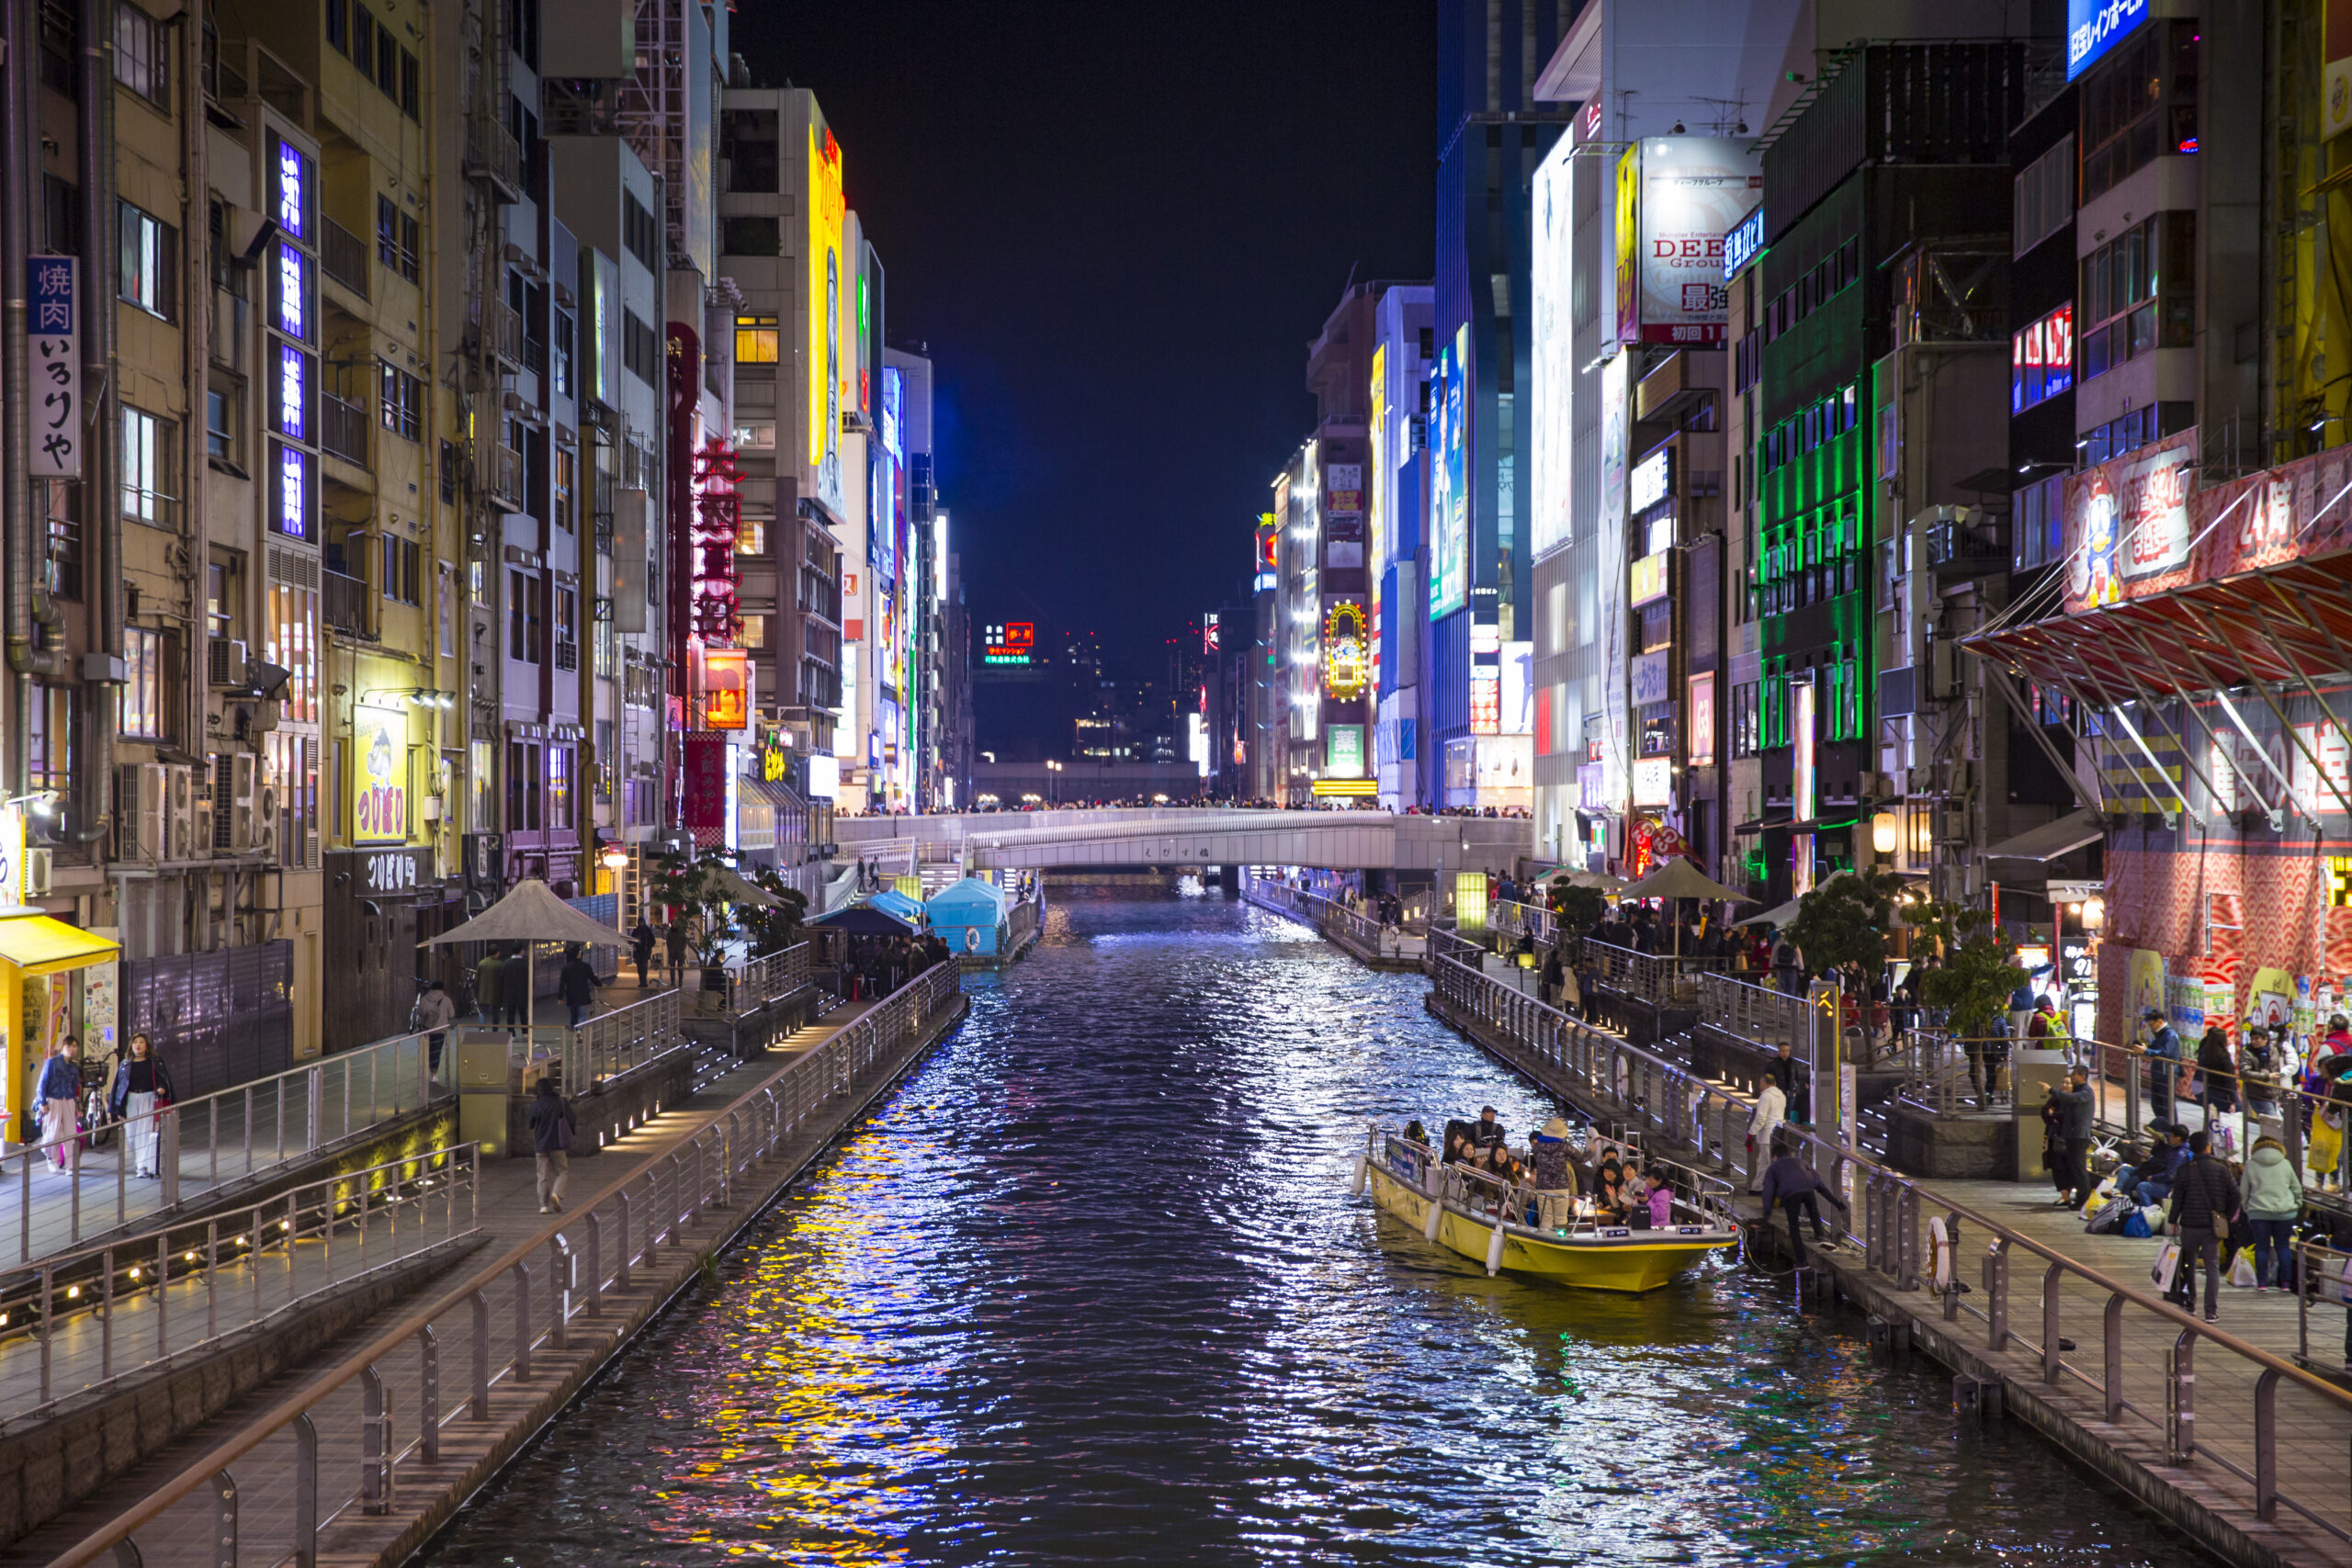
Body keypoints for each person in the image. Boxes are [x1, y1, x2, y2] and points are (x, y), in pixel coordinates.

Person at [2166, 1130, 2241, 1323]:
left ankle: (2191, 1302)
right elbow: (2235, 1194)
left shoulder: (2184, 1170)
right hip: (2212, 1226)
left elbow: (2178, 1198)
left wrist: (2173, 1219)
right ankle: (2210, 1311)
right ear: (2208, 1147)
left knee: (2188, 1264)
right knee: (2212, 1268)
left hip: (2190, 1224)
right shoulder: (2221, 1168)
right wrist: (2226, 1215)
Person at [1757, 1144, 1849, 1263]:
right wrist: (1836, 1203)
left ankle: (1802, 1261)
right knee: (1813, 1211)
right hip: (1808, 1189)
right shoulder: (1801, 1162)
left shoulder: (1773, 1168)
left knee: (1794, 1228)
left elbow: (1768, 1193)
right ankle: (1819, 1234)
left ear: (1774, 1157)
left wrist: (1766, 1217)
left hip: (1790, 1194)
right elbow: (1820, 1185)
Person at [106, 1032, 175, 1179]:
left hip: (148, 1098)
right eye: (135, 1042)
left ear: (147, 1046)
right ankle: (140, 1162)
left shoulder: (155, 1062)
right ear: (131, 1045)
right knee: (131, 1135)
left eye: (141, 1042)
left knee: (144, 1133)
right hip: (131, 1100)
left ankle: (142, 1166)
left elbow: (163, 1078)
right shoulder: (124, 1064)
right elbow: (118, 1087)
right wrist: (118, 1107)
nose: (138, 1044)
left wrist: (162, 1088)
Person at [2243, 1134, 2304, 1292]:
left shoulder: (2250, 1164)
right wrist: (2297, 1204)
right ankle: (2285, 1284)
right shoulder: (2285, 1163)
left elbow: (2243, 1191)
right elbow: (2296, 1187)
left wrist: (2247, 1208)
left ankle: (2262, 1283)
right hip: (2285, 1212)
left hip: (2259, 1211)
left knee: (2261, 1248)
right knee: (2283, 1247)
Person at [527, 1075, 576, 1213]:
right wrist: (571, 1133)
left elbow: (531, 1123)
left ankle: (543, 1206)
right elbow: (572, 1119)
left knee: (542, 1175)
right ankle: (556, 1193)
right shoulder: (560, 1102)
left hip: (541, 1144)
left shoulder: (536, 1104)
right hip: (557, 1144)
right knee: (562, 1171)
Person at [2052, 1066, 2096, 1209]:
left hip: (2079, 1136)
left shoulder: (2086, 1092)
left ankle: (2084, 1200)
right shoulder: (2078, 1091)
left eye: (2074, 1074)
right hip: (2071, 1135)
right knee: (2074, 1167)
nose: (2072, 1076)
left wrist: (2051, 1090)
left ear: (2082, 1076)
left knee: (2079, 1167)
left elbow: (2073, 1098)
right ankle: (2079, 1197)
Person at [36, 1039, 81, 1174]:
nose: (71, 1049)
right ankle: (51, 1157)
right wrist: (42, 1101)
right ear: (63, 1047)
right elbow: (42, 1083)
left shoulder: (74, 1067)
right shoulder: (52, 1062)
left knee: (70, 1133)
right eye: (69, 1046)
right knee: (53, 1133)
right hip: (53, 1100)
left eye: (74, 1046)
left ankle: (70, 1165)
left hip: (68, 1100)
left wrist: (75, 1103)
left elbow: (74, 1086)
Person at [2135, 1122, 2193, 1209]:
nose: (2170, 1139)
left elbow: (2170, 1175)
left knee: (2142, 1187)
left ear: (2178, 1138)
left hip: (2172, 1187)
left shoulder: (2179, 1154)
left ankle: (2149, 1214)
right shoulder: (2180, 1149)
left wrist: (2153, 1178)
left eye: (2171, 1136)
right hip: (2175, 1184)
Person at [1745, 1079, 1787, 1193]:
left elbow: (1760, 1117)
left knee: (1764, 1161)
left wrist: (1752, 1132)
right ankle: (1763, 1186)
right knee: (1769, 1161)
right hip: (1776, 1132)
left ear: (1766, 1083)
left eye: (1761, 1083)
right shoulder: (1781, 1095)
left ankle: (1757, 1187)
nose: (1759, 1086)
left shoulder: (1765, 1097)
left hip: (1765, 1133)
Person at [2144, 1008, 2182, 1128]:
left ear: (2159, 1021)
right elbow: (2153, 1048)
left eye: (2152, 1025)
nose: (2151, 1028)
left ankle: (2172, 1131)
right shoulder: (2158, 1035)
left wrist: (2146, 1051)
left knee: (2167, 1105)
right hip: (2158, 1074)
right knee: (2157, 1104)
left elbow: (2165, 1053)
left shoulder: (2170, 1035)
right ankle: (2163, 1130)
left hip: (2167, 1075)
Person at [2197, 1026, 2239, 1120]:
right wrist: (2233, 1100)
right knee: (2236, 1113)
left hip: (2209, 1089)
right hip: (2222, 1092)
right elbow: (2229, 1080)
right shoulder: (2224, 1057)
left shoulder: (2205, 1054)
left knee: (2212, 1119)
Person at [413, 981, 457, 1075]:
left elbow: (420, 1013)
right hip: (440, 1030)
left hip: (427, 1029)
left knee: (428, 1051)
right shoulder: (446, 999)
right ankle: (434, 1073)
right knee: (436, 1052)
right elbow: (452, 1014)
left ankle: (428, 1071)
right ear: (443, 989)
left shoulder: (424, 999)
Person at [558, 942, 599, 1029]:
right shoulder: (586, 966)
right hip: (583, 995)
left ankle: (574, 1032)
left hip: (571, 996)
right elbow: (593, 978)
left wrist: (560, 998)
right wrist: (600, 984)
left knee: (573, 1016)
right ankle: (579, 1032)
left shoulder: (566, 968)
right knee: (582, 1015)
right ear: (578, 955)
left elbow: (562, 984)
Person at [472, 948, 504, 1027]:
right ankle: (495, 1030)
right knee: (496, 1013)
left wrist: (476, 993)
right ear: (497, 953)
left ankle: (482, 1029)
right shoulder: (500, 964)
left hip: (483, 992)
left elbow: (477, 979)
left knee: (482, 1012)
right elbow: (503, 979)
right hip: (496, 993)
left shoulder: (482, 963)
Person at [501, 944, 529, 1028]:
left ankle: (511, 1033)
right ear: (521, 951)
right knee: (523, 1013)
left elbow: (501, 977)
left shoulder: (506, 963)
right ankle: (525, 1032)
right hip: (522, 992)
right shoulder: (525, 964)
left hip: (510, 992)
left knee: (510, 1014)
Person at [630, 917, 657, 987]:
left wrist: (648, 947)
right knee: (639, 968)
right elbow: (631, 940)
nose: (641, 923)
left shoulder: (648, 930)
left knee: (644, 967)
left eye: (642, 922)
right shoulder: (636, 930)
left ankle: (644, 982)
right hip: (638, 952)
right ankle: (641, 982)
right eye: (640, 922)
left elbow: (653, 941)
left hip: (645, 952)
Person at [665, 918, 690, 982]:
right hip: (672, 952)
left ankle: (680, 980)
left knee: (680, 967)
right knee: (672, 968)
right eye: (673, 923)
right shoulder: (670, 932)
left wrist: (682, 948)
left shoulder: (681, 932)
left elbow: (685, 940)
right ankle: (673, 981)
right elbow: (668, 942)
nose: (674, 924)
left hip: (680, 952)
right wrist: (670, 949)